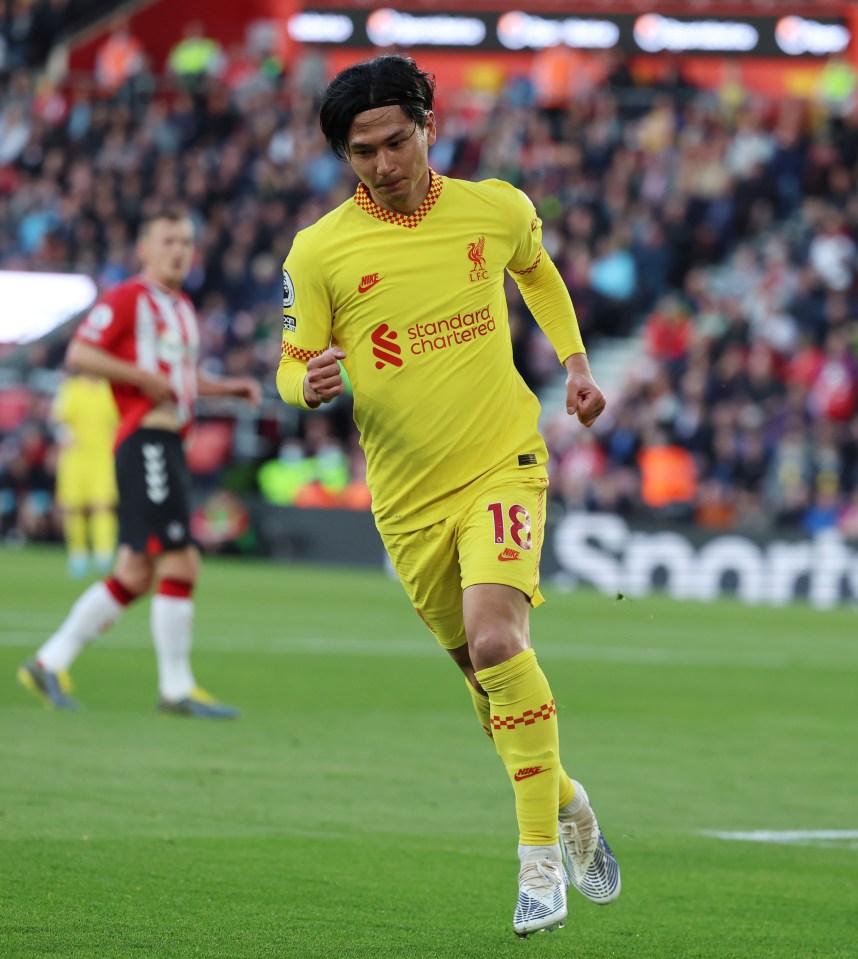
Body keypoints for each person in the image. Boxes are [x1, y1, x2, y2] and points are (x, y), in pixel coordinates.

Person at [275, 55, 619, 937]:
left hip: (503, 459)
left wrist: (576, 367)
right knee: (484, 680)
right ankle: (569, 798)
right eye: (363, 152)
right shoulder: (319, 252)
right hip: (407, 498)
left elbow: (535, 271)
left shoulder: (494, 206)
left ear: (430, 124)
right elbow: (289, 360)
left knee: (501, 635)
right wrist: (302, 384)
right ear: (343, 157)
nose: (385, 164)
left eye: (397, 140)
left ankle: (537, 860)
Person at [18, 209, 261, 718]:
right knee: (181, 559)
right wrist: (140, 379)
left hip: (165, 444)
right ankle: (176, 688)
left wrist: (226, 387)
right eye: (169, 240)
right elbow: (82, 354)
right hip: (146, 439)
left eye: (187, 241)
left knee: (134, 572)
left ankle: (48, 662)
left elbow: (181, 377)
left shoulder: (181, 307)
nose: (180, 250)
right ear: (144, 250)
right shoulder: (129, 297)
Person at [51, 373, 119, 577]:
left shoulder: (110, 389)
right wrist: (63, 433)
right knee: (73, 507)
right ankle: (78, 553)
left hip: (103, 455)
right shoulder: (71, 388)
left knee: (103, 506)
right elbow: (58, 420)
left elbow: (119, 420)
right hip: (75, 456)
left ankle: (104, 552)